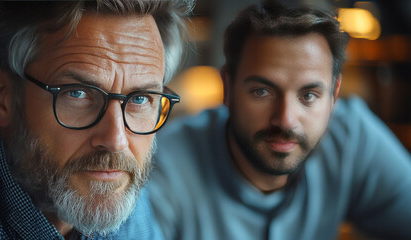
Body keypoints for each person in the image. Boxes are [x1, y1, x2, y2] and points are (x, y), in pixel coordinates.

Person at [147, 2, 411, 240]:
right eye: (262, 91)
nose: (285, 120)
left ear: (334, 95)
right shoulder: (166, 165)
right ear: (227, 88)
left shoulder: (352, 136)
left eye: (308, 95)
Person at [0, 0, 193, 239]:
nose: (116, 142)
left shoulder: (117, 189)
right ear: (2, 96)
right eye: (77, 93)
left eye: (141, 99)